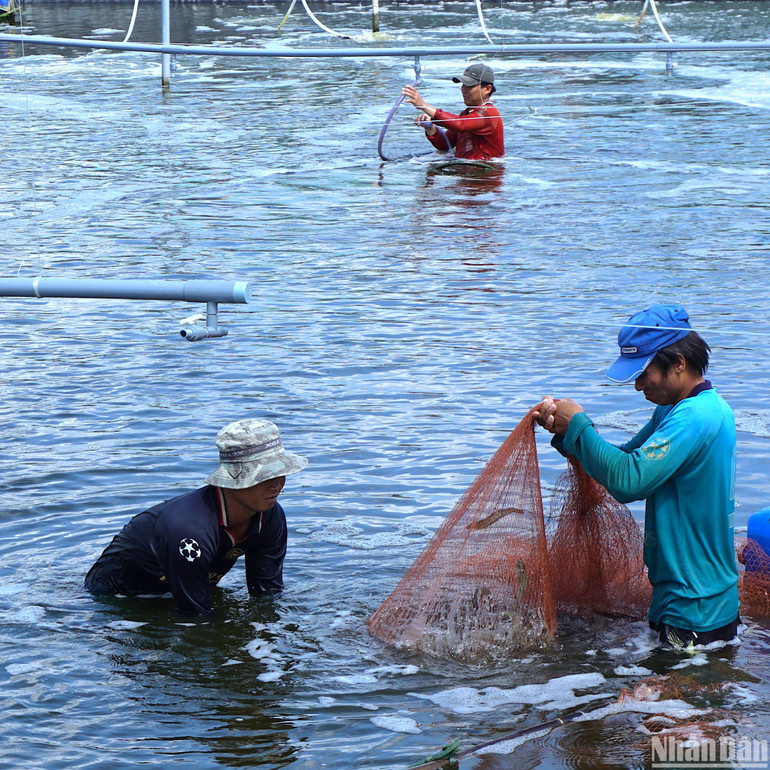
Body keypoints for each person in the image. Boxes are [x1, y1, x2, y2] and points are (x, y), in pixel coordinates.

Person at [533, 304, 740, 650]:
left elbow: (630, 481)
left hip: (696, 610)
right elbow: (625, 461)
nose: (638, 386)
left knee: (678, 702)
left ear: (678, 363)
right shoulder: (676, 410)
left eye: (644, 373)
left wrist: (581, 426)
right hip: (682, 601)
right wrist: (568, 434)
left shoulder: (695, 416)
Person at [84, 418, 307, 616]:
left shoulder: (270, 517)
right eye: (266, 475)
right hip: (116, 599)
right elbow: (195, 619)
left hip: (183, 589)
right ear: (233, 479)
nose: (278, 484)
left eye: (280, 472)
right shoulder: (190, 529)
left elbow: (267, 596)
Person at [402, 63, 504, 161]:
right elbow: (445, 145)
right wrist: (430, 128)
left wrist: (423, 105)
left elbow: (460, 124)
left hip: (486, 174)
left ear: (487, 89)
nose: (464, 89)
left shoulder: (489, 112)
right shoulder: (466, 114)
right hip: (465, 168)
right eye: (463, 85)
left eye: (470, 86)